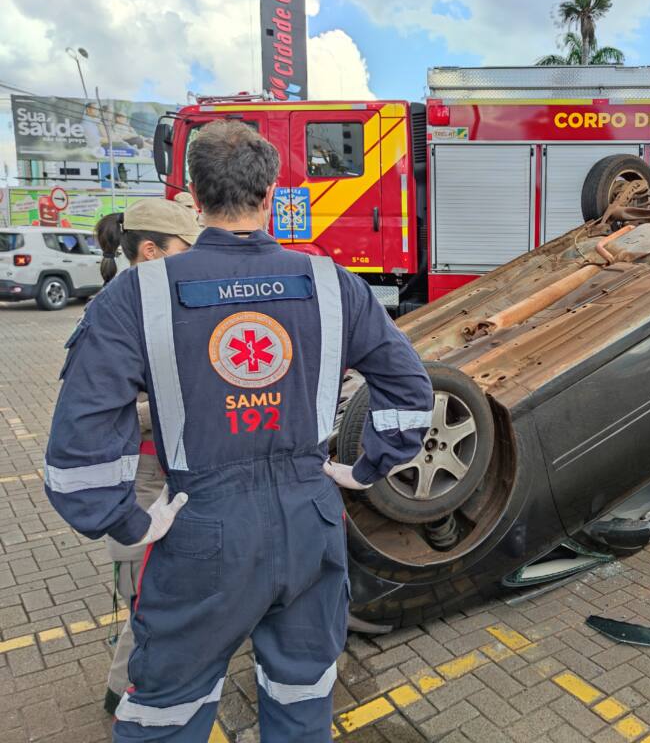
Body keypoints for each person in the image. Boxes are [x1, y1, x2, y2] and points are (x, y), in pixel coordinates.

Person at [43, 120, 433, 742]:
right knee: (303, 700)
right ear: (273, 191)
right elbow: (411, 391)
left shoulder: (134, 298)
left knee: (165, 715)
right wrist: (365, 468)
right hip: (312, 521)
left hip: (200, 530)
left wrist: (128, 521)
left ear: (193, 200)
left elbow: (81, 440)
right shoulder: (335, 285)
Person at [92, 199, 201, 715]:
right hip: (142, 476)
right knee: (147, 601)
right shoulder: (117, 311)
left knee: (163, 594)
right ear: (151, 250)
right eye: (185, 250)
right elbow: (104, 409)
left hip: (167, 470)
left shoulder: (158, 299)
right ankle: (127, 700)